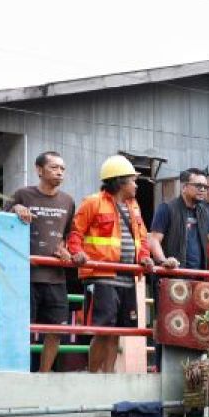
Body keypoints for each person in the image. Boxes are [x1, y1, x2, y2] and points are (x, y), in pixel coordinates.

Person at [67, 155, 155, 373]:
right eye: (133, 180)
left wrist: (144, 256)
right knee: (102, 330)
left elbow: (142, 238)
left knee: (116, 331)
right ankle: (94, 376)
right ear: (120, 181)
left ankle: (108, 377)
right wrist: (76, 253)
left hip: (127, 277)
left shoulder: (134, 207)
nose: (136, 185)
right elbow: (75, 233)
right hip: (101, 275)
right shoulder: (92, 202)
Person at [8, 151, 75, 372]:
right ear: (39, 170)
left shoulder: (68, 201)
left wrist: (66, 249)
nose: (60, 172)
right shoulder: (22, 195)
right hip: (26, 275)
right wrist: (15, 209)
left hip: (56, 277)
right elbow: (0, 222)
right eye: (54, 167)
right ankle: (20, 374)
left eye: (62, 169)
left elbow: (70, 234)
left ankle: (43, 375)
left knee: (56, 329)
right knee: (22, 328)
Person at [148, 168, 209, 271]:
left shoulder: (204, 212)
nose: (202, 189)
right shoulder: (167, 208)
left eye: (205, 187)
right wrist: (164, 261)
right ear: (184, 187)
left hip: (199, 276)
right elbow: (154, 240)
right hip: (173, 275)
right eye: (198, 186)